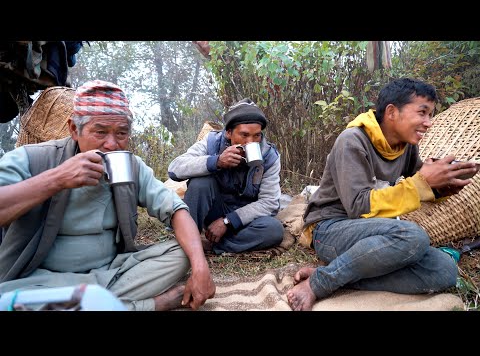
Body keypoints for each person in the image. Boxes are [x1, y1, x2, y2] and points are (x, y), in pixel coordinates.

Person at [0, 80, 216, 311]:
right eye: (100, 132)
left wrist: (200, 266)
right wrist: (57, 179)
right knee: (8, 299)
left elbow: (176, 210)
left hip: (111, 273)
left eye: (121, 133)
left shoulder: (130, 166)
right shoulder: (32, 159)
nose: (112, 144)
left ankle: (86, 302)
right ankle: (146, 305)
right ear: (74, 129)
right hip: (38, 279)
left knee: (183, 252)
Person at [287, 77, 479, 311]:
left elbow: (416, 181)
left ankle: (337, 274)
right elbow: (358, 206)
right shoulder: (352, 141)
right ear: (391, 112)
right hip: (330, 229)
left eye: (431, 114)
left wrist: (442, 187)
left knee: (444, 270)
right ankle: (320, 283)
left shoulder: (405, 147)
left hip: (374, 233)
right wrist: (423, 184)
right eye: (422, 112)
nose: (428, 123)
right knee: (413, 237)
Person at [168, 98, 284, 255]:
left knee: (274, 230)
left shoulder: (269, 156)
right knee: (200, 183)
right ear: (228, 132)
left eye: (257, 136)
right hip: (215, 209)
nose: (251, 142)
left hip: (245, 217)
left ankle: (210, 246)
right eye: (244, 135)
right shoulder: (212, 142)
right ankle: (189, 241)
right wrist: (216, 162)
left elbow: (269, 202)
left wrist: (228, 221)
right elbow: (175, 169)